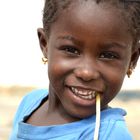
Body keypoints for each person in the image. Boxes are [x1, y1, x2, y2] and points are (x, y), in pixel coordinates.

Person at [10, 0, 140, 140]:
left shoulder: (109, 136)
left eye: (108, 55)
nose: (87, 73)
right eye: (71, 50)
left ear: (132, 60)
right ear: (45, 44)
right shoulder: (30, 102)